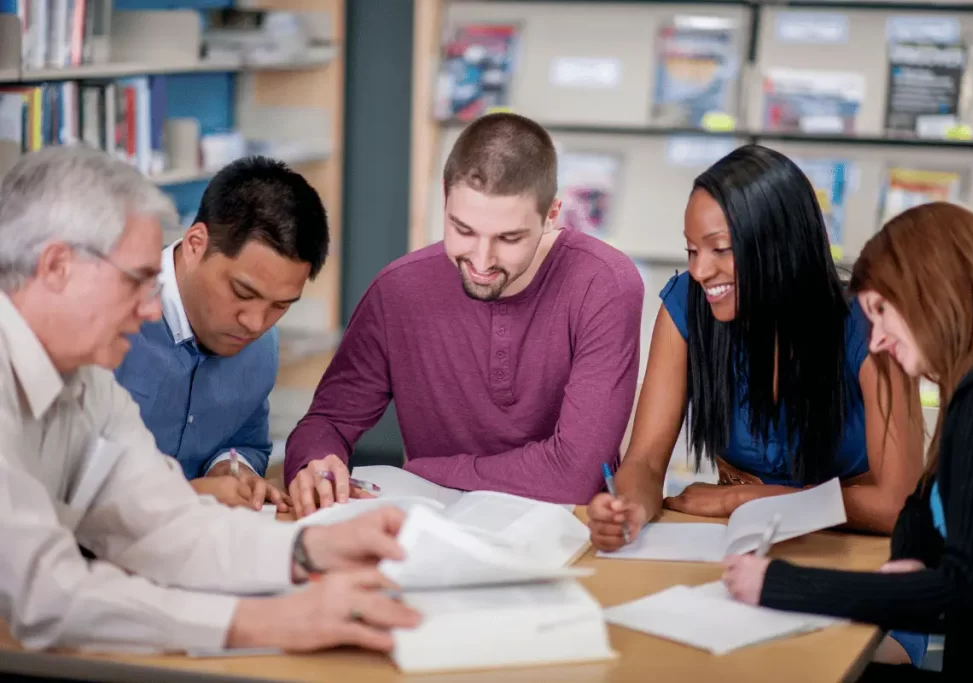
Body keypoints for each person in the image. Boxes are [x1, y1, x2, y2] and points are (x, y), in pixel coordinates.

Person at [0, 147, 419, 653]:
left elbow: (163, 523)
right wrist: (266, 621)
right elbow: (47, 596)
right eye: (137, 280)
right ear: (57, 266)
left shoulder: (88, 384)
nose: (153, 308)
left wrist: (310, 548)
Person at [586, 145, 925, 665]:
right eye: (691, 250)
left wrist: (744, 499)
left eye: (719, 249)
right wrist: (629, 507)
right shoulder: (685, 308)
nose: (700, 270)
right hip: (740, 566)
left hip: (864, 573)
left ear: (777, 244)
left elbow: (898, 506)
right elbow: (648, 459)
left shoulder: (869, 328)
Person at [284, 112, 644, 516]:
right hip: (436, 532)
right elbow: (326, 422)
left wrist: (430, 471)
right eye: (464, 230)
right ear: (445, 196)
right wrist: (314, 463)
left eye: (509, 238)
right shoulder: (399, 290)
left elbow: (575, 476)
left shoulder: (605, 284)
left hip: (565, 532)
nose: (482, 260)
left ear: (551, 215)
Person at [723, 201, 973, 680]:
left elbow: (969, 592)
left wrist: (782, 584)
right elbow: (921, 513)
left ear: (934, 290)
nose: (878, 340)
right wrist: (910, 565)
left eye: (882, 312)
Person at [114, 156, 330, 512]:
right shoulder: (110, 321)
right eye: (243, 293)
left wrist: (231, 470)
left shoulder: (261, 347)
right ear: (197, 243)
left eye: (281, 305)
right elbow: (66, 485)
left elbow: (245, 441)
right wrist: (192, 495)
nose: (256, 323)